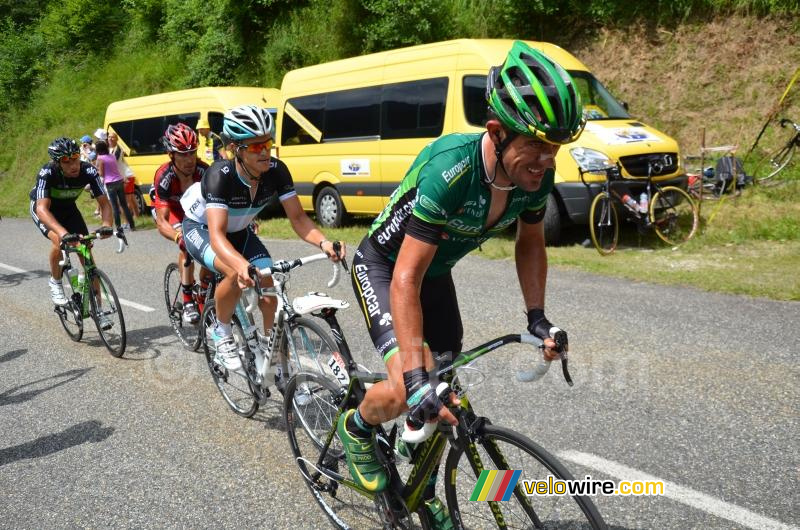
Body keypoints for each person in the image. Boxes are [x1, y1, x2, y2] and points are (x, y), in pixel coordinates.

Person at [338, 41, 586, 518]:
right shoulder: (451, 170)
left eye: (554, 147)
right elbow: (405, 275)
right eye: (535, 145)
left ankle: (419, 490)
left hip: (433, 274)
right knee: (415, 379)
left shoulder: (535, 178)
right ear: (496, 131)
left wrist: (537, 317)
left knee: (442, 395)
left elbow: (530, 241)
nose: (546, 160)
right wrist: (413, 376)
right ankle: (358, 426)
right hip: (387, 268)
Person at [180, 104, 345, 372]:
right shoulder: (219, 176)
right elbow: (217, 234)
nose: (265, 152)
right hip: (202, 230)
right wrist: (241, 265)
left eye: (268, 143)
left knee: (268, 288)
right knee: (233, 272)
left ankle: (276, 360)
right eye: (256, 147)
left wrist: (324, 243)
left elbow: (299, 219)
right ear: (237, 149)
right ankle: (220, 331)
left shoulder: (277, 171)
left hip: (240, 232)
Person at [30, 137, 114, 320]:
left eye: (75, 158)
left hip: (69, 209)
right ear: (57, 163)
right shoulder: (47, 172)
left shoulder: (89, 170)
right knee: (60, 241)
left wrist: (107, 225)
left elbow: (105, 204)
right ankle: (56, 281)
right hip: (46, 210)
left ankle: (98, 311)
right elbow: (42, 209)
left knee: (86, 254)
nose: (73, 165)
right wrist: (64, 233)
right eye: (66, 162)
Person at [152, 123, 210, 324]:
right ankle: (187, 301)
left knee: (214, 249)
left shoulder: (204, 171)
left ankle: (203, 290)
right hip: (174, 212)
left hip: (196, 211)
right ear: (171, 155)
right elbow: (162, 221)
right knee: (187, 244)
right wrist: (178, 236)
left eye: (192, 152)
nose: (189, 159)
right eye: (183, 155)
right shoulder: (164, 176)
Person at [95, 140, 136, 232]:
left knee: (115, 206)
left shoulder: (100, 158)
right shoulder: (112, 156)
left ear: (98, 149)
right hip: (119, 180)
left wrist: (95, 169)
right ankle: (132, 225)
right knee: (124, 205)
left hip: (110, 183)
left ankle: (118, 227)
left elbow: (101, 173)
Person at [108, 130, 140, 218]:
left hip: (126, 176)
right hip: (124, 175)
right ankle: (136, 217)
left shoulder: (118, 149)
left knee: (125, 200)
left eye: (112, 137)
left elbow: (113, 162)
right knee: (131, 198)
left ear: (116, 139)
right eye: (109, 137)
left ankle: (128, 221)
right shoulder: (109, 149)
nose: (110, 138)